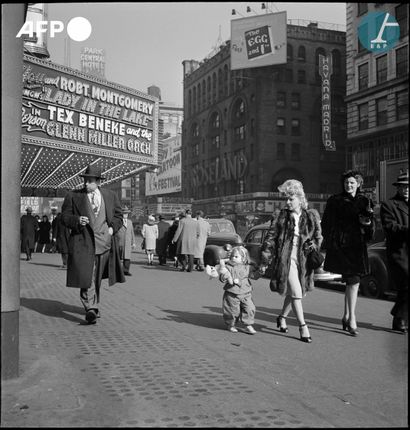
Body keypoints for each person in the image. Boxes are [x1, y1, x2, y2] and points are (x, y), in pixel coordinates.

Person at [61, 164, 125, 324]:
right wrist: (76, 220)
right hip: (83, 244)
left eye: (89, 181)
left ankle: (94, 306)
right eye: (85, 180)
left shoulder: (110, 196)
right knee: (87, 276)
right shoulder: (73, 196)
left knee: (96, 278)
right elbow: (64, 217)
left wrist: (111, 229)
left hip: (104, 244)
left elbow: (119, 215)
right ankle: (90, 308)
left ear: (98, 182)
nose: (85, 184)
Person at [260, 179, 322, 343]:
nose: (287, 202)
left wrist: (313, 244)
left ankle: (281, 317)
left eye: (291, 199)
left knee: (295, 292)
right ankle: (303, 326)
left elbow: (318, 237)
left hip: (303, 260)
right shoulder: (281, 216)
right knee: (296, 292)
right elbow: (270, 238)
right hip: (286, 260)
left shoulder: (311, 216)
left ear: (300, 199)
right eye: (286, 199)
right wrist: (265, 258)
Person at [321, 170, 375, 336]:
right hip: (342, 247)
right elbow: (326, 224)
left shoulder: (365, 200)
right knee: (352, 281)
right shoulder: (335, 200)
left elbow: (371, 225)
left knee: (353, 281)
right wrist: (332, 241)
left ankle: (348, 316)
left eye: (352, 182)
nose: (349, 185)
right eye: (346, 183)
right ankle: (351, 318)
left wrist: (367, 223)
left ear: (358, 183)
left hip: (357, 246)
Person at [380, 171, 408, 333]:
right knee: (406, 284)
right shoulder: (389, 205)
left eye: (408, 187)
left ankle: (398, 313)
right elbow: (390, 227)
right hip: (399, 252)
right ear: (397, 188)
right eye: (403, 187)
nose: (406, 190)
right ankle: (400, 319)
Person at [219, 245, 262, 334]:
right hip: (232, 294)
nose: (233, 258)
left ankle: (248, 325)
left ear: (243, 258)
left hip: (246, 292)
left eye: (236, 256)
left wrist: (260, 272)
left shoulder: (248, 267)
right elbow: (222, 278)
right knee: (232, 311)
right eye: (231, 256)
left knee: (250, 308)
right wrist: (224, 275)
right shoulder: (228, 267)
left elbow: (254, 276)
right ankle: (231, 324)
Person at [117, 206, 136, 276]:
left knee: (127, 257)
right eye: (124, 213)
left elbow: (132, 233)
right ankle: (118, 271)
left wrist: (133, 242)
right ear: (122, 214)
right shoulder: (118, 221)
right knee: (118, 257)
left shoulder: (130, 222)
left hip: (127, 243)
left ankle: (126, 271)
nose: (126, 215)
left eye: (127, 214)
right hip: (120, 242)